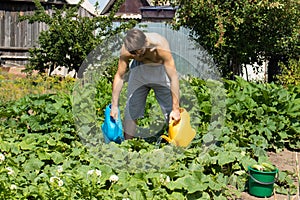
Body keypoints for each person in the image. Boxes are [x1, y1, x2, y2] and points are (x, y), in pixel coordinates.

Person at [110, 28, 180, 140]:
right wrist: (114, 106)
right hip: (138, 72)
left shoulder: (160, 45)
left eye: (140, 52)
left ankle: (178, 143)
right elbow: (119, 76)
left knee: (170, 109)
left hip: (160, 72)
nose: (137, 56)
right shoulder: (127, 49)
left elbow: (173, 77)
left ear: (146, 43)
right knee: (131, 108)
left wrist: (175, 108)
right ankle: (128, 145)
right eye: (133, 54)